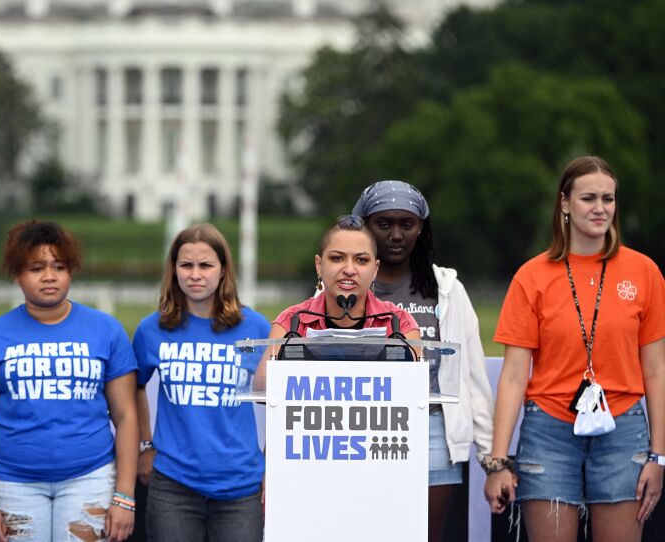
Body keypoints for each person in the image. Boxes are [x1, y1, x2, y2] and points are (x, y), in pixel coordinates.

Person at [484, 156, 665, 541]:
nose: (600, 208)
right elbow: (515, 376)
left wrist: (659, 456)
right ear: (564, 203)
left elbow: (656, 370)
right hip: (549, 430)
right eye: (588, 198)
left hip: (623, 428)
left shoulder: (644, 272)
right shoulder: (531, 276)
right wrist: (498, 461)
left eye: (608, 199)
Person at [0, 220, 138, 542]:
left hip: (91, 477)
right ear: (17, 274)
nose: (49, 276)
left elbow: (126, 416)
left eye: (59, 266)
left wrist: (125, 496)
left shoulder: (107, 331)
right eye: (36, 267)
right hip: (13, 483)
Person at [352, 180, 494, 542]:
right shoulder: (343, 287)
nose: (396, 234)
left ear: (421, 228)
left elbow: (473, 377)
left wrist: (493, 458)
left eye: (407, 224)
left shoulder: (446, 289)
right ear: (363, 225)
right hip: (359, 430)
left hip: (433, 430)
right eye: (384, 224)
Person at [133, 223, 270, 542]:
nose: (195, 274)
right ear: (174, 269)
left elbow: (275, 395)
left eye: (206, 265)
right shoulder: (152, 330)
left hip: (240, 487)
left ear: (223, 270)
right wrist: (145, 444)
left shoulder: (252, 330)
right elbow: (133, 387)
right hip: (173, 485)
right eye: (186, 265)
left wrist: (270, 457)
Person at [256, 214, 421, 388]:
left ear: (375, 269)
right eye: (337, 258)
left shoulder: (400, 324)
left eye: (361, 260)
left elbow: (415, 389)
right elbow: (261, 386)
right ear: (319, 265)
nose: (349, 269)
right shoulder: (292, 322)